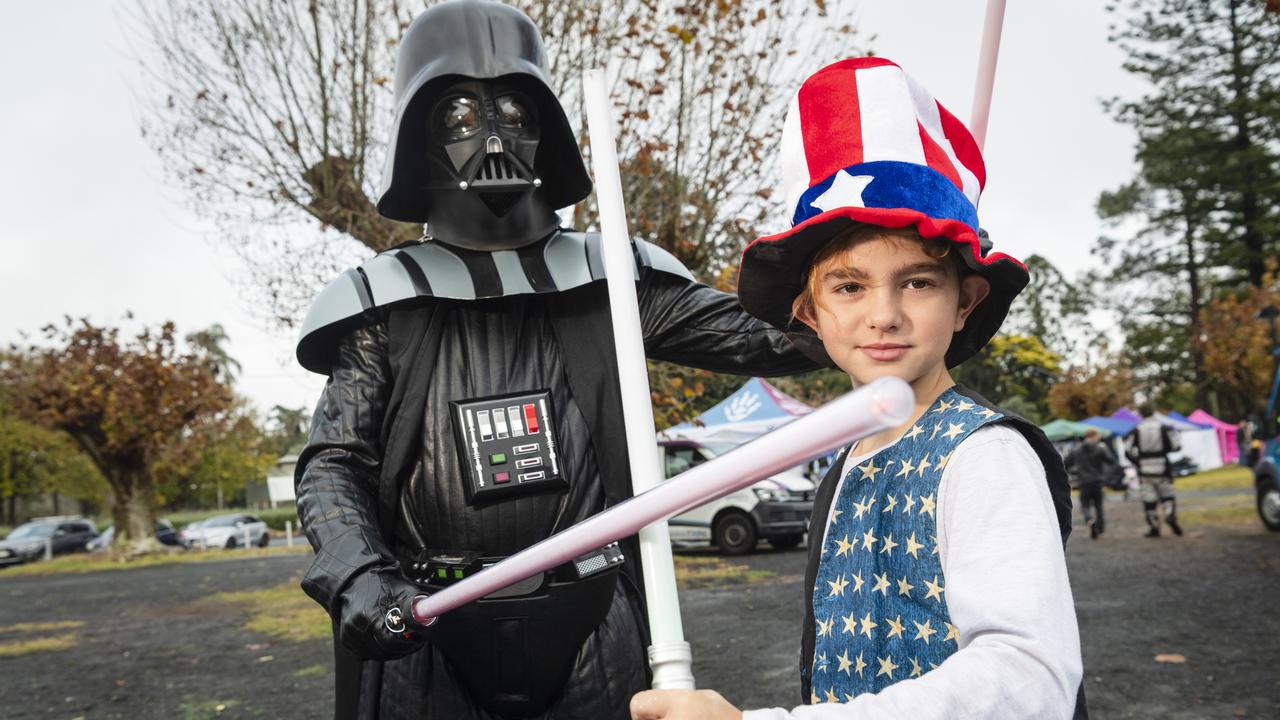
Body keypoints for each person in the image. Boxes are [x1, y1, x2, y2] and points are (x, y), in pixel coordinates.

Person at [291, 2, 815, 719]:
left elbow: (776, 336)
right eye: (460, 116)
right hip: (432, 627)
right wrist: (357, 573)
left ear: (548, 126)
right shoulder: (388, 302)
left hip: (594, 619)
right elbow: (335, 460)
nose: (493, 137)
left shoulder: (612, 282)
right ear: (418, 133)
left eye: (513, 109)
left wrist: (865, 273)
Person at [630, 57, 1086, 720]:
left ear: (967, 301)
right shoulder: (848, 459)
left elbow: (1029, 677)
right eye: (849, 286)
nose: (884, 315)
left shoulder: (986, 458)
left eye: (920, 282)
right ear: (809, 313)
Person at [1124, 403, 1183, 538]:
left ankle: (1154, 527)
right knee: (1167, 494)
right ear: (1153, 412)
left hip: (1144, 469)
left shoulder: (1136, 430)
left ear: (1140, 414)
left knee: (1149, 498)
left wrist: (1138, 461)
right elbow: (1177, 446)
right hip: (1163, 467)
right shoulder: (1164, 428)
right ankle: (1170, 515)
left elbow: (1127, 450)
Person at [1064, 428, 1118, 539]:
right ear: (1094, 436)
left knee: (1084, 504)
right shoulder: (1100, 448)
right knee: (1098, 505)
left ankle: (1089, 519)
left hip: (1083, 481)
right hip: (1097, 481)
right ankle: (1100, 527)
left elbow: (1066, 463)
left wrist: (1075, 470)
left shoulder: (1076, 449)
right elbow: (1112, 461)